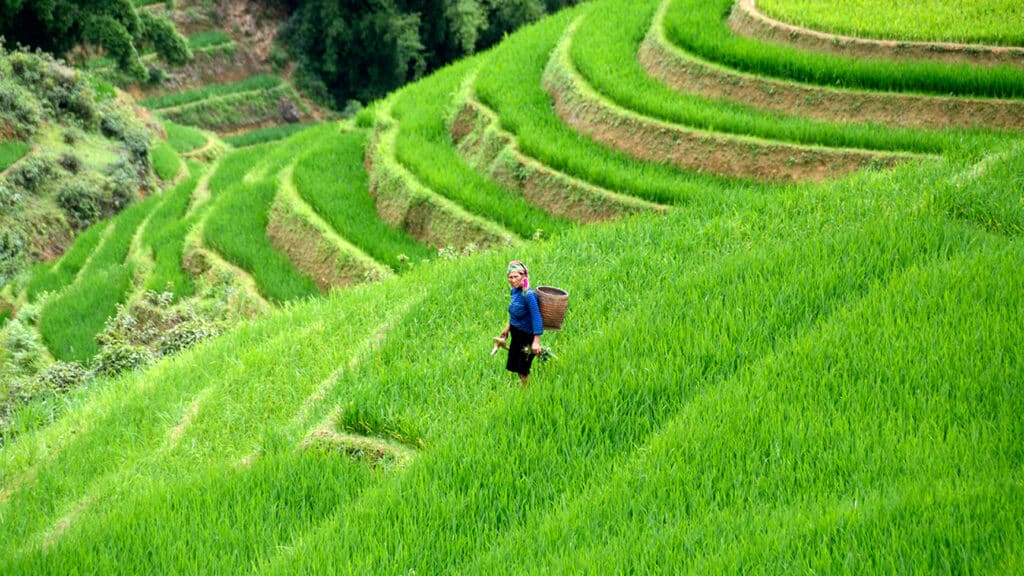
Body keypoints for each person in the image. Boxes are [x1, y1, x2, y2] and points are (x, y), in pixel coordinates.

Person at [499, 260, 543, 388]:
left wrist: (536, 341)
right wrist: (507, 328)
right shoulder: (515, 292)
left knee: (523, 368)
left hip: (526, 337)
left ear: (523, 276)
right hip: (516, 334)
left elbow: (536, 318)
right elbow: (514, 312)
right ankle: (525, 389)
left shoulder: (528, 295)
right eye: (510, 277)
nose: (512, 280)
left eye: (516, 277)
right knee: (517, 366)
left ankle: (527, 393)